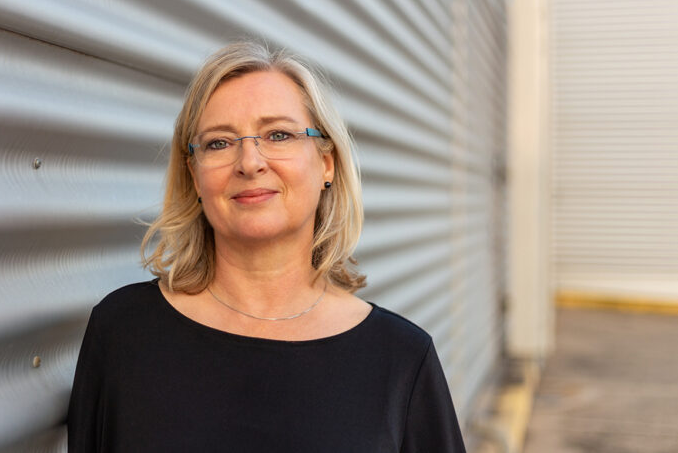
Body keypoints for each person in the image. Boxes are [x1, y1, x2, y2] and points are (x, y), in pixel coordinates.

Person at [67, 41, 466, 452]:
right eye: (219, 142)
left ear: (326, 163)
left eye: (278, 135)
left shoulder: (401, 359)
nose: (249, 162)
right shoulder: (123, 333)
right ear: (194, 174)